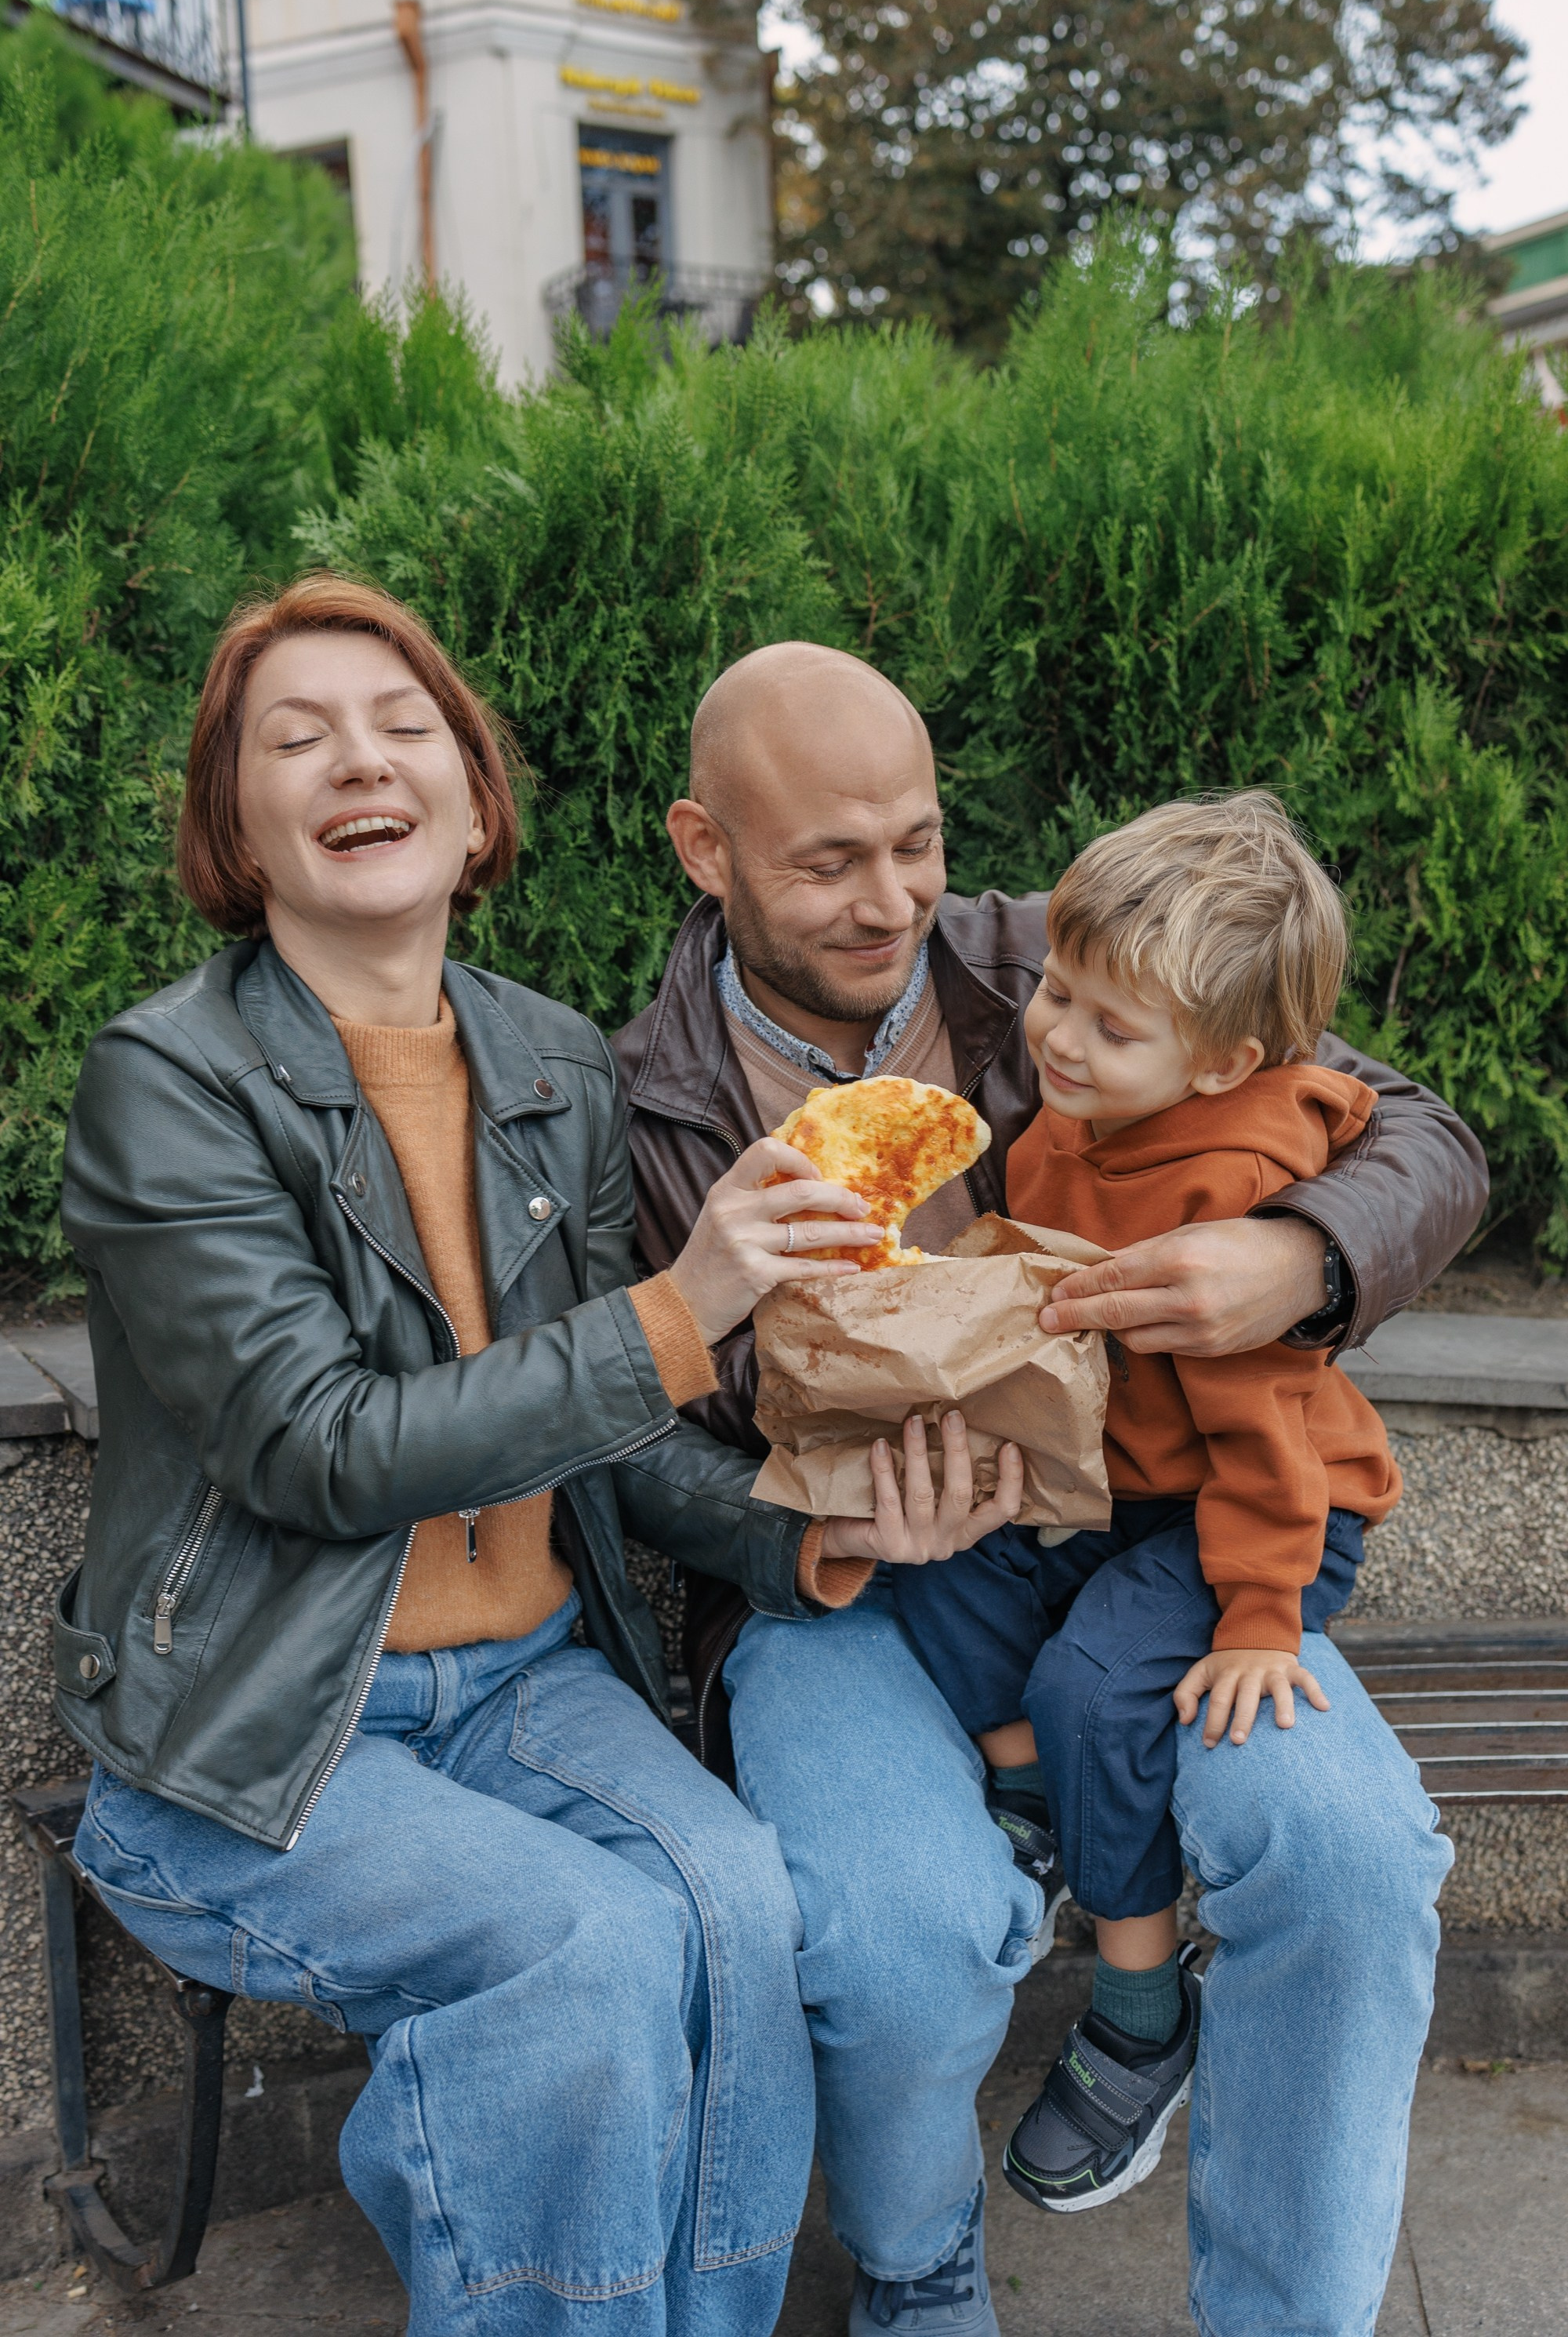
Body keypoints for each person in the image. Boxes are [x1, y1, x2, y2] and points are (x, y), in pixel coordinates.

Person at [54, 580, 1022, 2337]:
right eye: (299, 739)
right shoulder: (167, 1083)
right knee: (586, 1949)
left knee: (735, 1905)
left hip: (525, 1684)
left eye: (403, 726)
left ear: (473, 792)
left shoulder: (550, 1064)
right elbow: (315, 1449)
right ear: (239, 827)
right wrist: (688, 1300)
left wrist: (820, 1534)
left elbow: (609, 1445)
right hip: (263, 1735)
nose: (364, 761)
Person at [613, 641, 1487, 2337]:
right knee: (901, 1929)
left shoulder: (1056, 959)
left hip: (1165, 1533)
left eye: (918, 843)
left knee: (1349, 1857)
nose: (894, 902)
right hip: (855, 1588)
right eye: (828, 862)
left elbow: (1418, 1133)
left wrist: (1297, 1256)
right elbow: (620, 1432)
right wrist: (813, 1532)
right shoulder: (629, 1095)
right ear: (705, 851)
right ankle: (919, 2271)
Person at [894, 794, 1440, 2224]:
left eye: (1109, 1025)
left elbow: (1271, 1441)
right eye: (1058, 993)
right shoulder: (1079, 1115)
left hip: (1256, 1520)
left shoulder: (1225, 1192)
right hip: (1121, 1492)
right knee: (933, 1559)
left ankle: (1140, 2012)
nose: (1060, 1037)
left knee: (1092, 1687)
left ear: (1224, 1063)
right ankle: (1031, 1792)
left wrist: (1261, 1618)